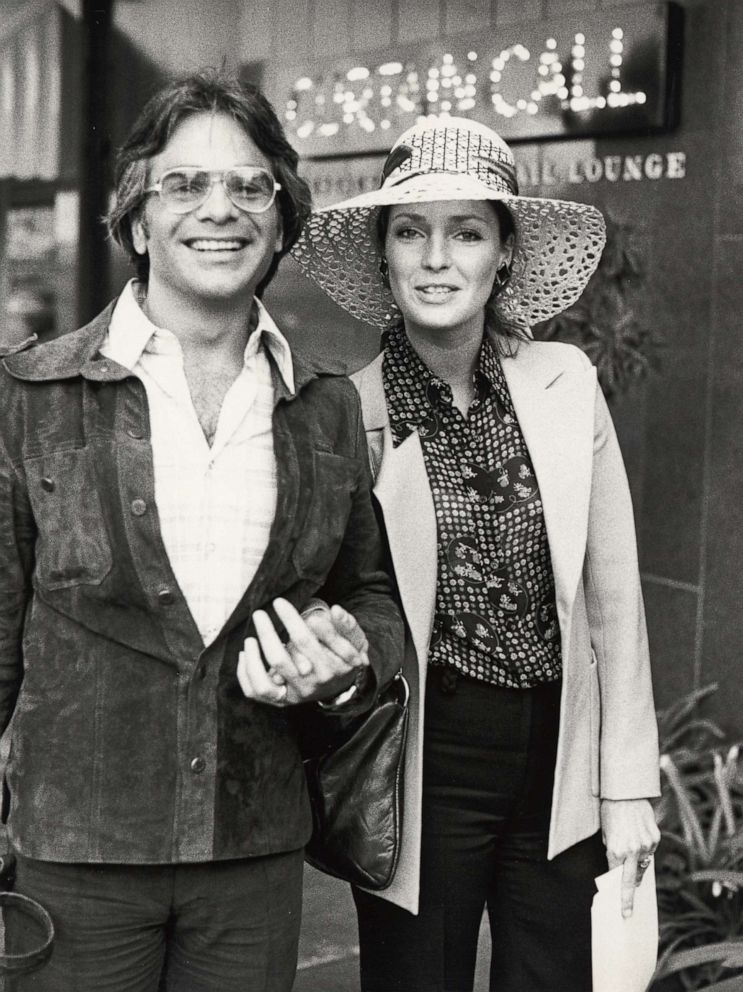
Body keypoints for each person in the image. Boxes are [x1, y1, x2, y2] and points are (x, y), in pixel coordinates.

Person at [0, 70, 402, 992]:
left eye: (249, 185)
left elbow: (370, 598)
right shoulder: (32, 395)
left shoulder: (325, 405)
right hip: (77, 853)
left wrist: (346, 662)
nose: (218, 209)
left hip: (253, 848)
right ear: (139, 221)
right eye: (184, 184)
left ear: (280, 219)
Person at [292, 116, 661, 991]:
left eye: (466, 232)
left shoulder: (567, 382)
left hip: (557, 762)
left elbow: (614, 599)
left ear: (503, 256)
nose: (435, 258)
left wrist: (627, 784)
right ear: (383, 257)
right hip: (424, 766)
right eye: (410, 232)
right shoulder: (347, 414)